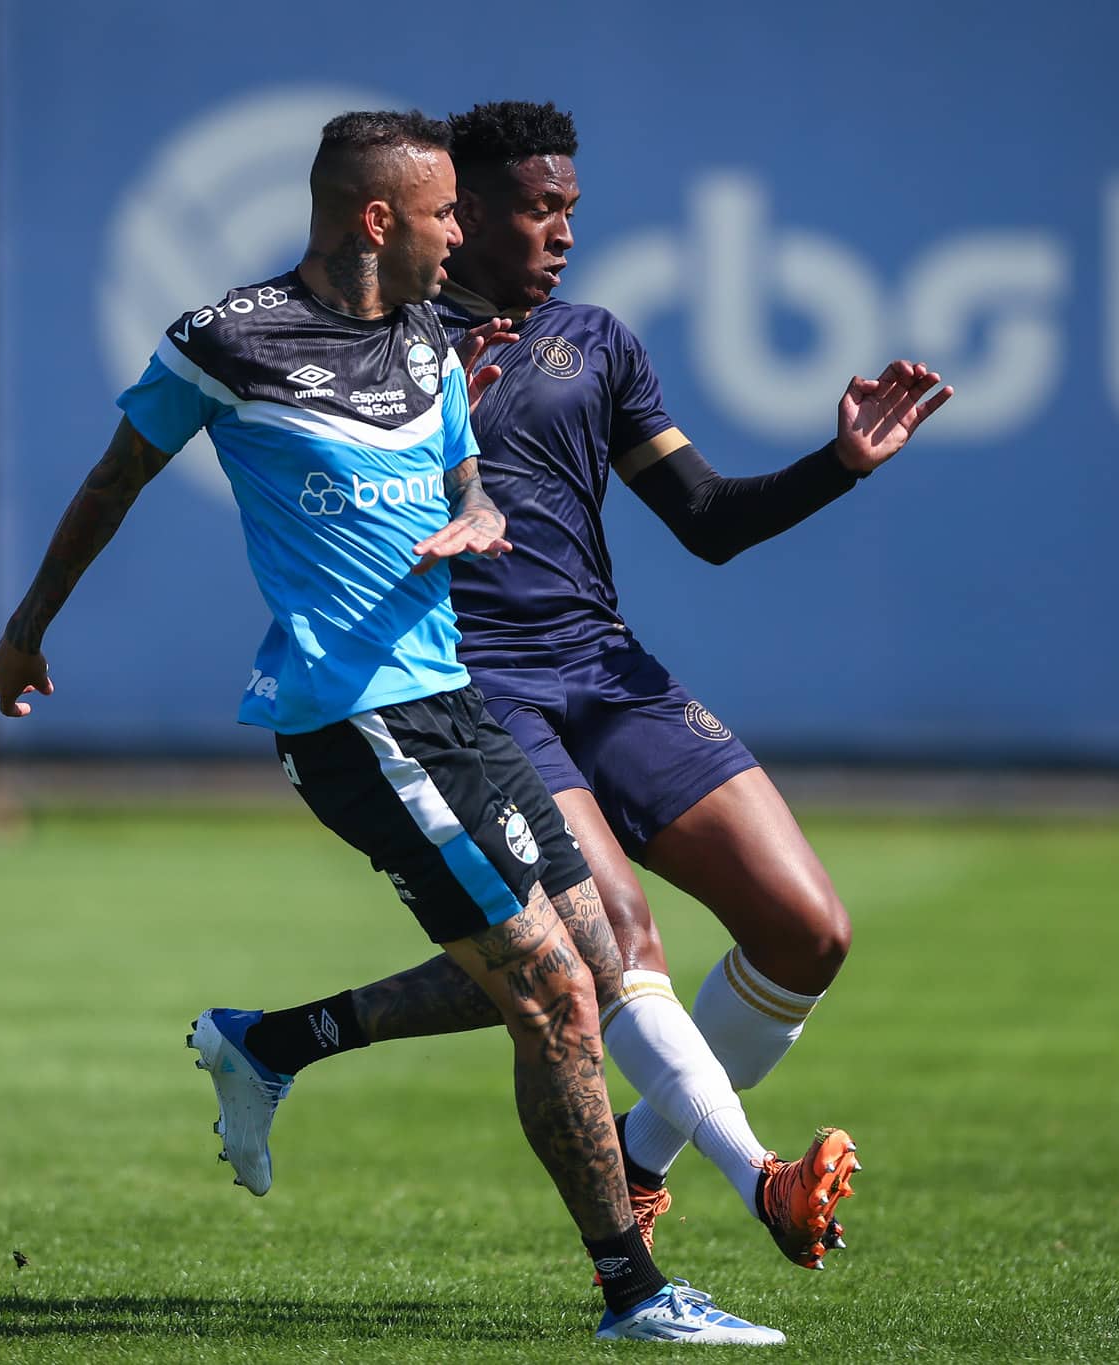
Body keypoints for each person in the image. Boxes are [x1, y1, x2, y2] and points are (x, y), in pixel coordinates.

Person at [0, 109, 783, 1345]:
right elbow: (111, 481)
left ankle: (270, 1043)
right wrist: (29, 626)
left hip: (450, 705)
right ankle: (634, 1291)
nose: (462, 233)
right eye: (444, 214)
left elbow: (461, 464)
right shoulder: (228, 341)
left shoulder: (424, 341)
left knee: (591, 965)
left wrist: (471, 512)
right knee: (558, 1001)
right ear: (377, 219)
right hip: (358, 722)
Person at [205, 101, 946, 1269]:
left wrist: (837, 467)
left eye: (570, 209)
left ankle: (635, 1155)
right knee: (613, 945)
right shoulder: (372, 344)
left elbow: (704, 520)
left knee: (807, 932)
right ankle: (759, 1178)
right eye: (538, 208)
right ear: (468, 211)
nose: (561, 230)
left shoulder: (595, 341)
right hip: (468, 685)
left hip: (604, 669)